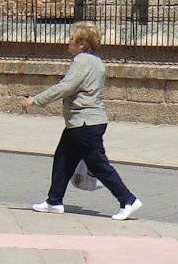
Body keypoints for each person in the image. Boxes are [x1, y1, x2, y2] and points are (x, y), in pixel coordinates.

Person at [20, 22, 142, 220]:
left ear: (82, 44)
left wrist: (35, 100)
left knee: (99, 165)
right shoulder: (97, 62)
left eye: (71, 39)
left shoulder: (82, 61)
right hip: (83, 122)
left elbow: (65, 87)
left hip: (85, 123)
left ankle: (127, 200)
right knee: (63, 159)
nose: (68, 42)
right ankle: (54, 200)